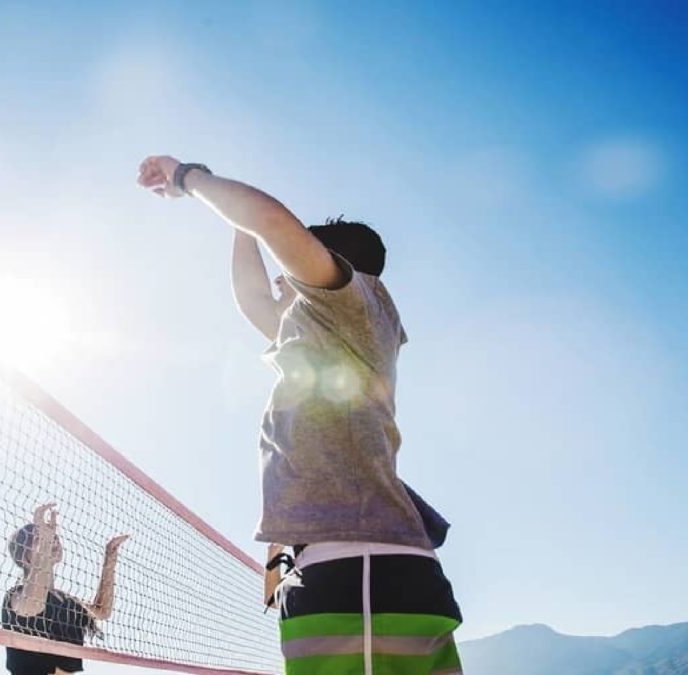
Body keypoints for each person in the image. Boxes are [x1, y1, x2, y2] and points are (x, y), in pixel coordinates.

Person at [138, 157, 463, 674]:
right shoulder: (323, 339)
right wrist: (236, 226)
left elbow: (272, 223)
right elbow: (252, 299)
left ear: (324, 265)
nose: (279, 282)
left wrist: (188, 178)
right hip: (361, 571)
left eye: (288, 271)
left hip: (357, 569)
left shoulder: (344, 303)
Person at [2, 502, 128, 675]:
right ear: (23, 556)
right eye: (39, 539)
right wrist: (45, 543)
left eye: (53, 537)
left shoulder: (66, 600)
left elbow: (101, 610)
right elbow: (33, 606)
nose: (52, 540)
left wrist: (110, 557)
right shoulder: (17, 596)